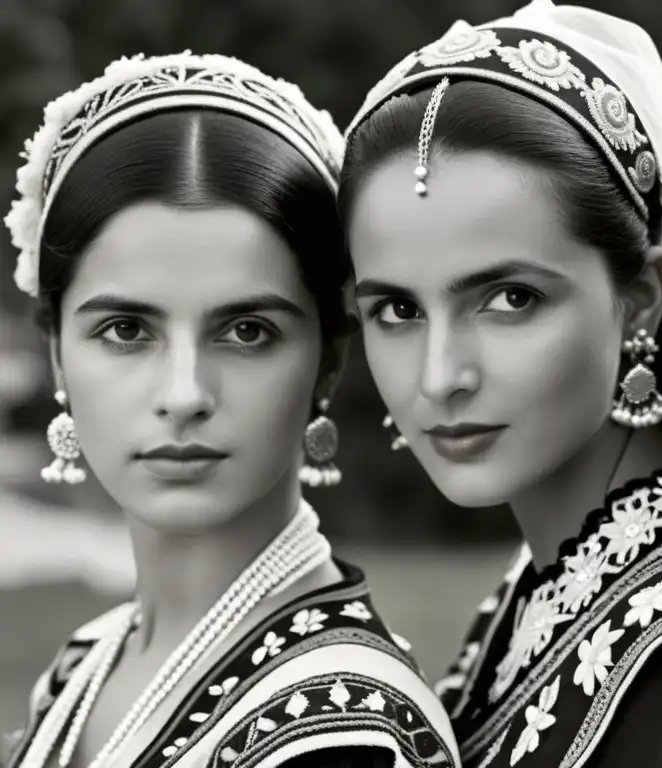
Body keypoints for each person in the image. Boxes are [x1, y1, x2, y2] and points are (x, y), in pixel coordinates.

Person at [339, 2, 662, 766]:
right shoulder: (552, 577)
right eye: (398, 309)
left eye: (510, 299)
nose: (440, 377)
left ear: (641, 295)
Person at [3, 52, 457, 768]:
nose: (184, 394)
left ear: (329, 360)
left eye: (247, 331)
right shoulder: (85, 664)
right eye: (126, 330)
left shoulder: (346, 732)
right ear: (58, 354)